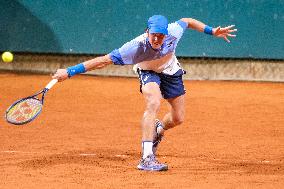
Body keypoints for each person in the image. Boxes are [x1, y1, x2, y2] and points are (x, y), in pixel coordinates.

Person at [52, 15, 237, 171]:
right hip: (148, 71)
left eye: (161, 36)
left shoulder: (173, 31)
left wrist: (212, 31)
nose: (157, 40)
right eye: (154, 35)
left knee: (178, 118)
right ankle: (147, 158)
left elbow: (187, 21)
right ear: (147, 32)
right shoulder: (134, 48)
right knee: (153, 102)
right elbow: (103, 61)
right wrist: (69, 72)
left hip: (170, 70)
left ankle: (158, 129)